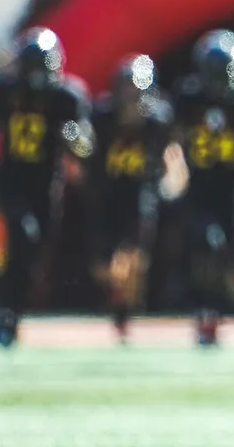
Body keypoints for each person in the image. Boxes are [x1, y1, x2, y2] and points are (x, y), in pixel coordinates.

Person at [0, 27, 94, 348]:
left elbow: (86, 145)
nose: (37, 75)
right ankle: (6, 311)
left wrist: (74, 139)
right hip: (11, 179)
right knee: (23, 235)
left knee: (35, 252)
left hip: (45, 185)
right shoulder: (5, 91)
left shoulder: (66, 97)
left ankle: (13, 310)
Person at [172, 29, 234, 346]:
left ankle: (221, 309)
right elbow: (175, 138)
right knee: (206, 245)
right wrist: (175, 168)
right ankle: (205, 312)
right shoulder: (189, 97)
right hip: (201, 188)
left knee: (232, 257)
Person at [88, 54, 184, 343]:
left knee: (133, 259)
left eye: (137, 89)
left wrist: (173, 178)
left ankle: (124, 312)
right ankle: (118, 300)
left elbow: (172, 153)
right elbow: (85, 155)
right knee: (102, 265)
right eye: (127, 89)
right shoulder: (101, 117)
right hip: (107, 193)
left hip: (141, 194)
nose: (132, 96)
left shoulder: (158, 120)